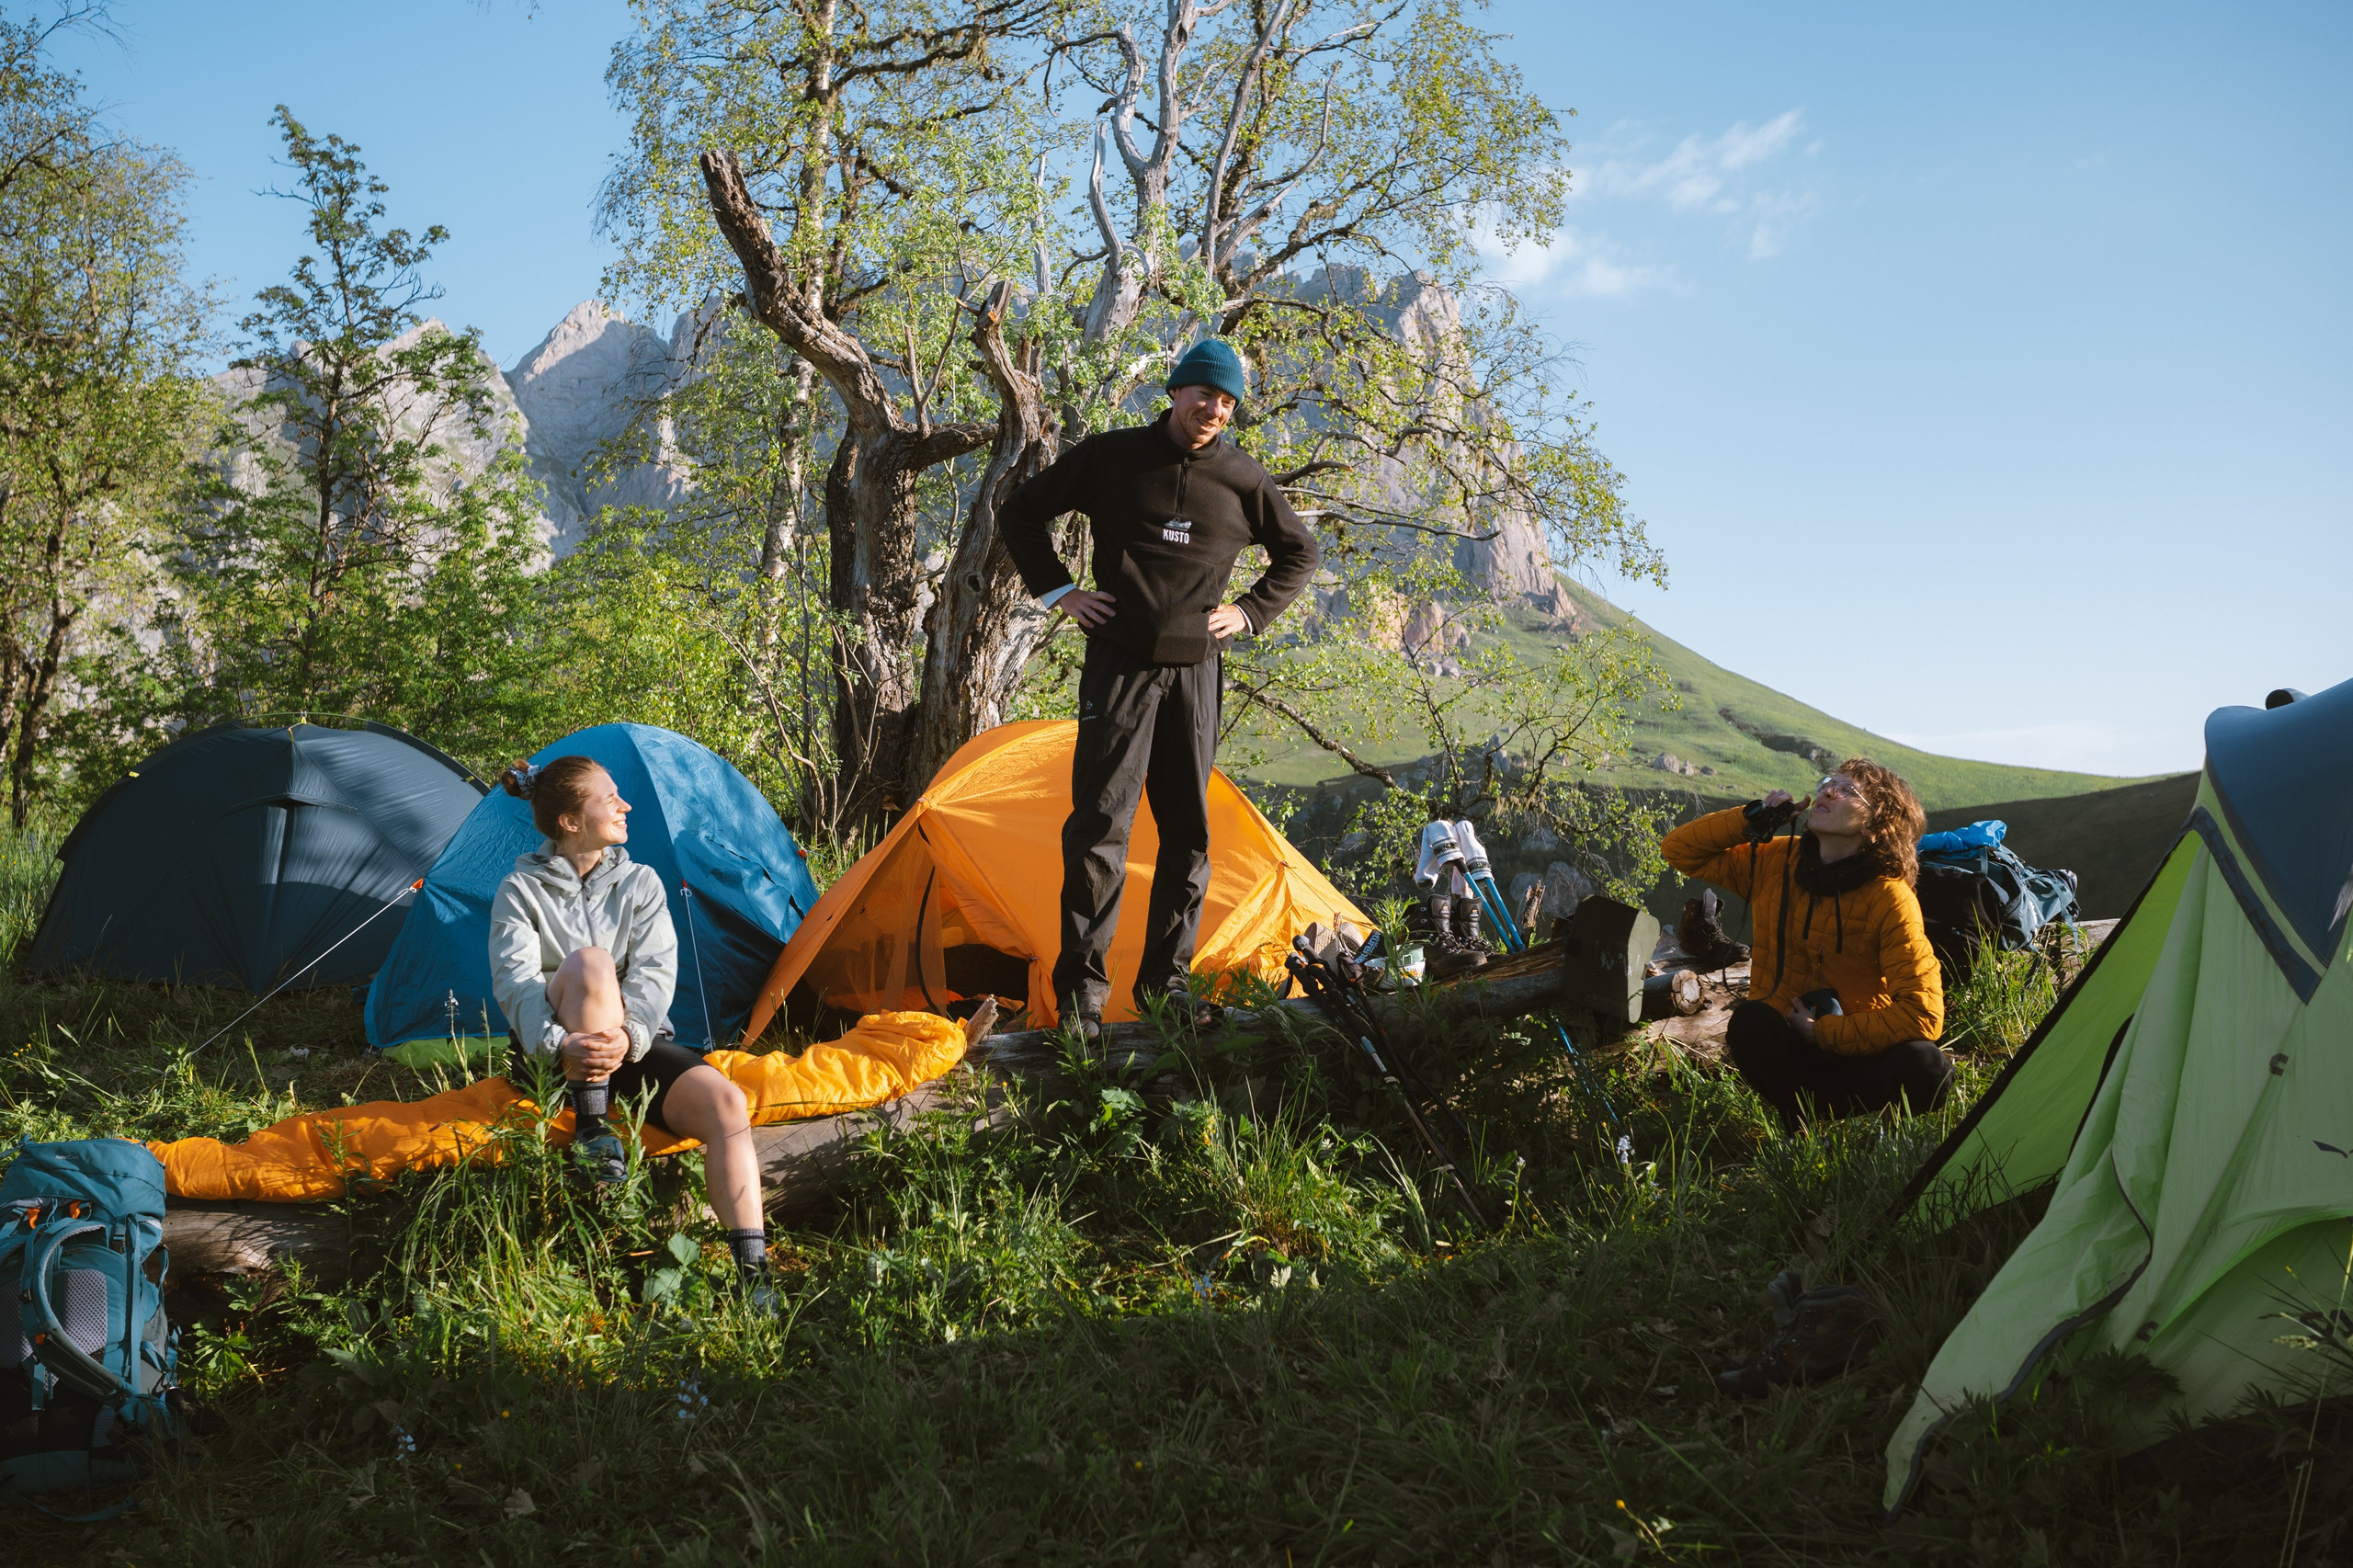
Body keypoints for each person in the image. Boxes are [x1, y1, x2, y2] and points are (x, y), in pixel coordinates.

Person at [1000, 338, 1318, 1036]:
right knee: (1100, 829)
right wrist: (1060, 591)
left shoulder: (1243, 478)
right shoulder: (1113, 457)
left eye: (1228, 401)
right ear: (1175, 392)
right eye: (1204, 393)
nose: (1214, 409)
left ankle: (1165, 992)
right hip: (1119, 664)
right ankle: (1083, 999)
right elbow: (1020, 511)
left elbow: (1301, 550)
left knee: (1188, 834)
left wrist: (1252, 611)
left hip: (1197, 674)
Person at [488, 756, 770, 1293]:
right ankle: (592, 1126)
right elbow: (515, 983)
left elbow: (657, 972)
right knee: (591, 962)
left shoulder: (640, 882)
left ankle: (752, 1276)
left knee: (728, 1106)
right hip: (552, 1056)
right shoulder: (521, 891)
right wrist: (558, 1041)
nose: (626, 806)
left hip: (631, 1043)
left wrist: (630, 1035)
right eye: (610, 798)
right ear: (571, 821)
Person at [1661, 758, 1953, 1131]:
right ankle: (1798, 1119)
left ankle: (1846, 1119)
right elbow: (1678, 850)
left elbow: (1923, 1015)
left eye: (1849, 790)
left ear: (1878, 824)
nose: (1829, 791)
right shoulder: (1777, 860)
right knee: (1750, 1022)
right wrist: (1755, 818)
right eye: (1830, 783)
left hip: (1858, 1048)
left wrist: (1824, 1032)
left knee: (1928, 1067)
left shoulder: (1889, 897)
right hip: (1787, 1043)